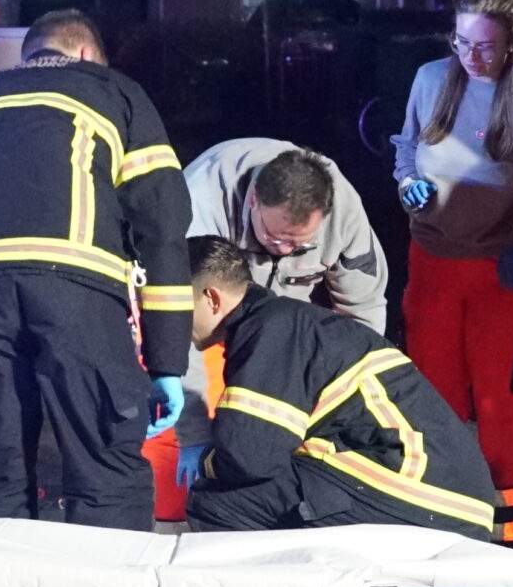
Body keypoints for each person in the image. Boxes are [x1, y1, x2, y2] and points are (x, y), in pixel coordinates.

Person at [0, 8, 191, 530]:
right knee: (105, 466)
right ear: (84, 56)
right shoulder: (115, 92)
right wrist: (167, 362)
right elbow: (161, 225)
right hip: (76, 285)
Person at [392, 0, 513, 550]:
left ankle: (512, 543)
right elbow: (406, 147)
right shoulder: (430, 80)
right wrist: (408, 184)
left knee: (502, 411)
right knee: (435, 407)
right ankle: (440, 530)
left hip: (502, 275)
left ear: (511, 43)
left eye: (484, 45)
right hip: (433, 268)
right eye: (461, 42)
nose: (471, 56)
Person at [181, 235, 495, 536]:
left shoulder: (269, 330)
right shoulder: (285, 322)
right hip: (441, 494)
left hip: (421, 492)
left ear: (211, 298)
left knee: (219, 503)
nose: (169, 321)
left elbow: (249, 456)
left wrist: (207, 460)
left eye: (176, 306)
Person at [159, 139, 387, 516]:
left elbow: (364, 307)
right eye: (275, 237)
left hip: (285, 320)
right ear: (253, 203)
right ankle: (175, 527)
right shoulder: (199, 205)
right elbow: (177, 325)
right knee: (183, 428)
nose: (283, 250)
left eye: (299, 243)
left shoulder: (343, 209)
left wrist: (355, 397)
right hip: (205, 321)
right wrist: (194, 435)